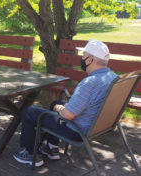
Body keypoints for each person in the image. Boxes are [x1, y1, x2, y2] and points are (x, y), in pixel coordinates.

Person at [13, 39, 118, 167]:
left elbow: (68, 115)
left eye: (84, 56)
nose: (82, 58)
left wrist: (60, 108)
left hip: (77, 131)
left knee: (29, 112)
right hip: (95, 126)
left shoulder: (89, 83)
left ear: (90, 59)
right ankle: (52, 148)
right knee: (56, 102)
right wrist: (61, 106)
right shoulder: (113, 78)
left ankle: (30, 154)